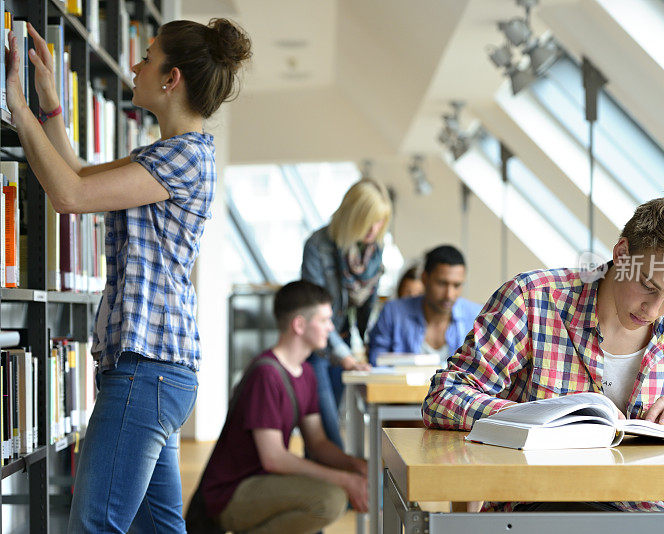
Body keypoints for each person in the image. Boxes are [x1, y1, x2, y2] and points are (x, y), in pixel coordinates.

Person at [6, 17, 251, 532]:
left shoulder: (185, 157)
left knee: (94, 526)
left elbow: (68, 196)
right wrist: (49, 105)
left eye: (148, 57)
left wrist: (18, 108)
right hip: (156, 369)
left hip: (148, 368)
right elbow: (72, 172)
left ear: (172, 79)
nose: (135, 65)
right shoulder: (167, 155)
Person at [423, 195, 664, 513]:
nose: (654, 310)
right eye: (648, 285)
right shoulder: (531, 299)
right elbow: (443, 397)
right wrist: (544, 422)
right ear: (621, 254)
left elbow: (663, 452)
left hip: (640, 510)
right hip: (537, 501)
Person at [195, 281, 368, 533]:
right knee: (329, 500)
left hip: (263, 482)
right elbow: (274, 458)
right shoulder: (266, 374)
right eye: (324, 320)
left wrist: (355, 465)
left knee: (336, 492)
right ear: (299, 325)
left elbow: (317, 442)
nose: (331, 328)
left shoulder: (306, 372)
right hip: (231, 493)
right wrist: (346, 480)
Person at [301, 178, 392, 447]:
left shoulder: (374, 252)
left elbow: (368, 306)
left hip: (343, 343)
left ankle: (323, 487)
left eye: (379, 221)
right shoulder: (318, 246)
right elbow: (314, 312)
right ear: (353, 216)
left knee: (329, 429)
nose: (374, 229)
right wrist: (345, 355)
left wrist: (365, 346)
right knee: (327, 434)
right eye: (368, 220)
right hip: (317, 347)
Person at [368, 245, 481, 366]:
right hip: (401, 385)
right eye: (442, 284)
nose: (449, 294)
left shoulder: (476, 316)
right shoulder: (393, 313)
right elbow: (377, 363)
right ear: (424, 279)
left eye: (457, 285)